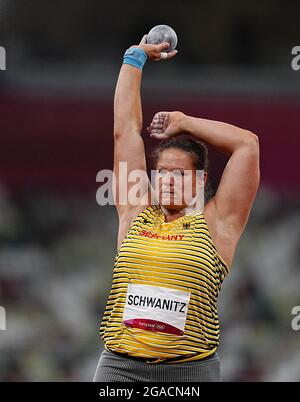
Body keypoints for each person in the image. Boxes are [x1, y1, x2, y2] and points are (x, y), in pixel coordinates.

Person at [93, 35, 260, 382]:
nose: (167, 180)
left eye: (179, 174)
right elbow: (125, 131)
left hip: (190, 372)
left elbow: (247, 145)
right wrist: (134, 57)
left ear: (199, 181)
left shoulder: (217, 224)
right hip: (121, 368)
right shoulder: (135, 212)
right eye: (162, 173)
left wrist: (184, 122)